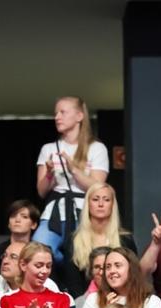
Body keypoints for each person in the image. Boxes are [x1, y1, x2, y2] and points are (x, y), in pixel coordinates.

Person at [33, 96, 109, 262]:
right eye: (56, 113)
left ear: (79, 116)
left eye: (63, 112)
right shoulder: (49, 148)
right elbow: (41, 191)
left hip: (84, 214)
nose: (57, 117)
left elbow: (98, 187)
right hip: (54, 213)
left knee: (85, 258)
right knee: (37, 251)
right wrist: (50, 174)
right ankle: (60, 268)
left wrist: (73, 169)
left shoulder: (96, 148)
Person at [53, 182, 136, 297]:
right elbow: (72, 283)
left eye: (106, 200)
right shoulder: (73, 240)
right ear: (88, 204)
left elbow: (134, 275)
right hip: (84, 302)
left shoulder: (126, 239)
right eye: (95, 199)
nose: (101, 204)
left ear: (113, 205)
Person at [0, 200, 40, 278]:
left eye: (24, 217)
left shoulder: (41, 252)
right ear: (9, 224)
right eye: (13, 216)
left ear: (33, 225)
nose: (17, 220)